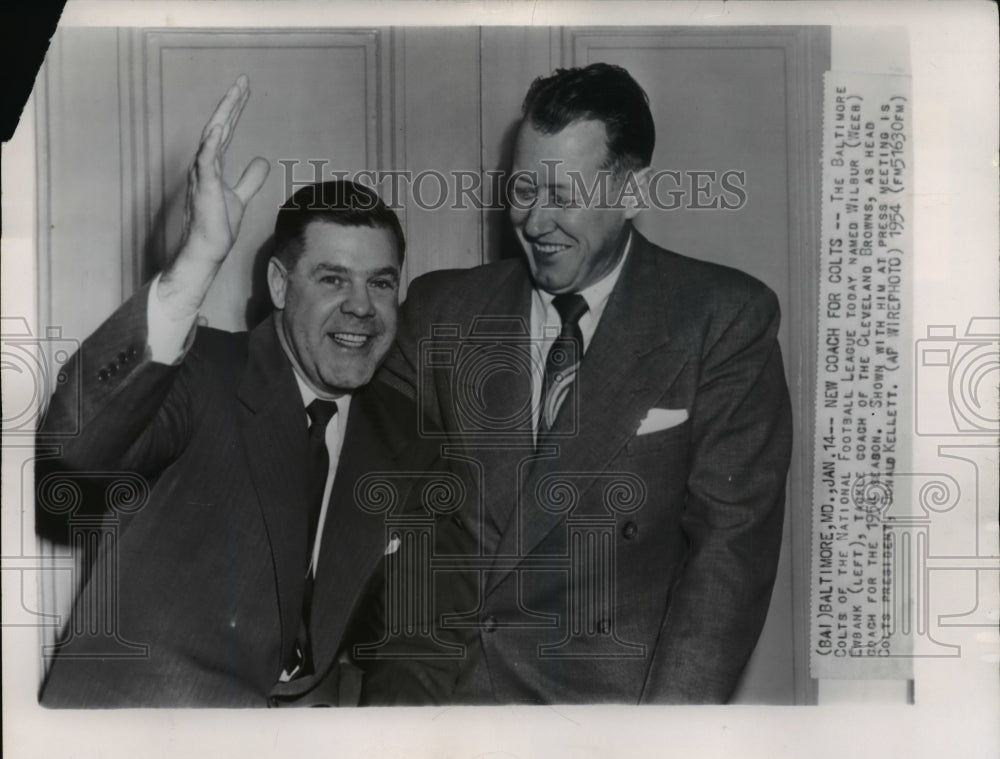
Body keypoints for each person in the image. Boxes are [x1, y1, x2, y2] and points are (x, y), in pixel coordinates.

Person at [361, 63, 794, 704]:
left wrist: (661, 750)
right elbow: (350, 460)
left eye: (562, 196)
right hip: (440, 704)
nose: (535, 222)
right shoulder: (440, 310)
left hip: (608, 721)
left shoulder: (722, 318)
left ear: (631, 192)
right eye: (522, 190)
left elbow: (727, 565)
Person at [37, 77, 431, 707]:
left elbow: (412, 636)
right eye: (333, 278)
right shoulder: (203, 372)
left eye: (381, 284)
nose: (361, 307)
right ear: (279, 285)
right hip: (136, 742)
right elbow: (74, 447)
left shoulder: (403, 434)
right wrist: (194, 263)